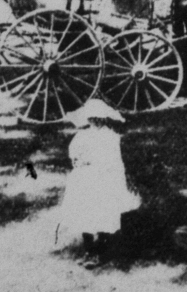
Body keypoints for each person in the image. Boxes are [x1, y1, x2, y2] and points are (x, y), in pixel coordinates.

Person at [57, 99, 140, 259]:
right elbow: (74, 154)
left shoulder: (111, 137)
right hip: (84, 178)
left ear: (104, 118)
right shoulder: (82, 135)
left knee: (103, 212)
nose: (95, 121)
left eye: (98, 118)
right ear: (87, 119)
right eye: (91, 118)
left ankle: (101, 250)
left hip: (103, 178)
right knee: (84, 212)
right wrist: (78, 161)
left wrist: (114, 180)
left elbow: (115, 161)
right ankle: (88, 249)